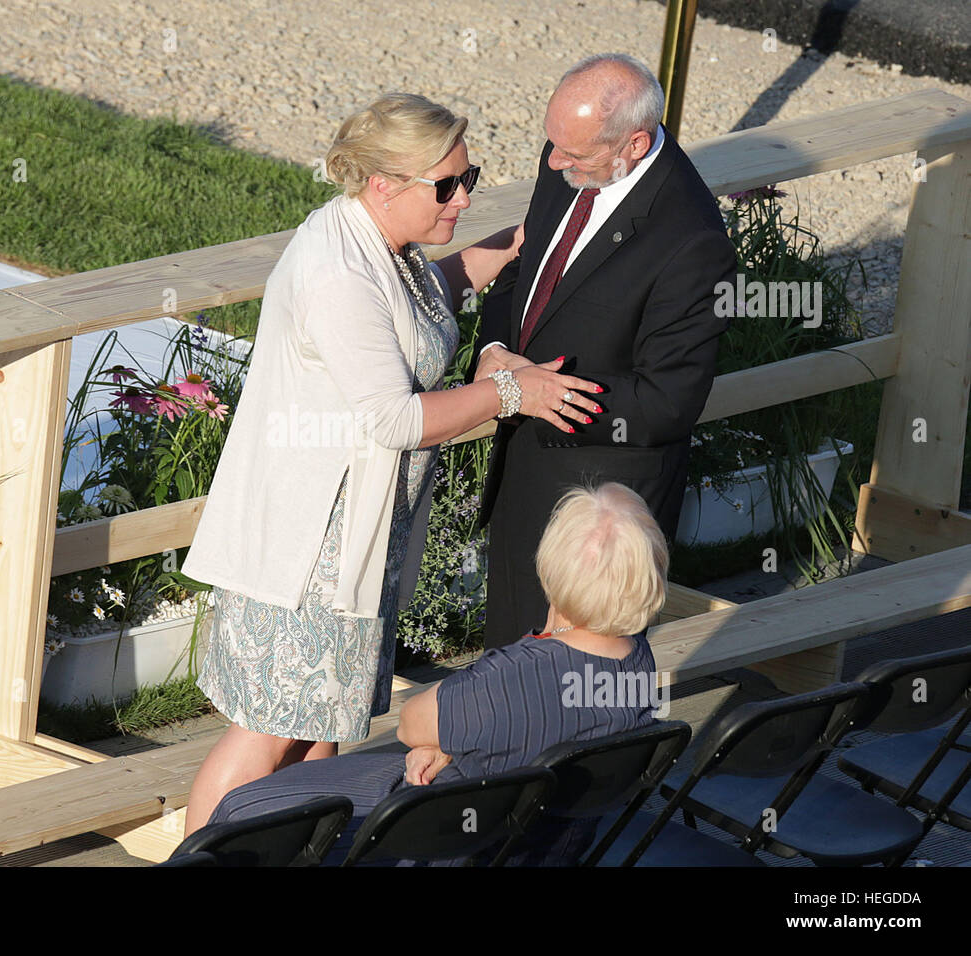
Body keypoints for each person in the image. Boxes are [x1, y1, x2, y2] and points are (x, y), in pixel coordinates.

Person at [179, 92, 602, 836]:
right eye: (447, 186)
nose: (464, 197)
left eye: (470, 177)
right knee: (268, 732)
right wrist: (510, 391)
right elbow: (396, 418)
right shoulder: (339, 271)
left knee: (319, 736)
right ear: (383, 184)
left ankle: (298, 856)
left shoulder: (384, 248)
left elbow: (418, 308)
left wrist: (503, 249)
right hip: (309, 544)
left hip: (354, 539)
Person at [199, 482, 668, 866]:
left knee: (244, 815)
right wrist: (453, 740)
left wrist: (445, 734)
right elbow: (526, 727)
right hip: (543, 843)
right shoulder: (638, 666)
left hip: (445, 841)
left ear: (555, 563)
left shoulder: (519, 677)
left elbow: (411, 721)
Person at [471, 52, 738, 650]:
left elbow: (669, 400)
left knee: (580, 699)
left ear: (635, 144)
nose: (554, 162)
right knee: (506, 670)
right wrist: (492, 350)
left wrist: (545, 394)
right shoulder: (573, 157)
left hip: (602, 510)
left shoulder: (693, 242)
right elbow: (524, 270)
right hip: (525, 472)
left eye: (574, 154)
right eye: (552, 145)